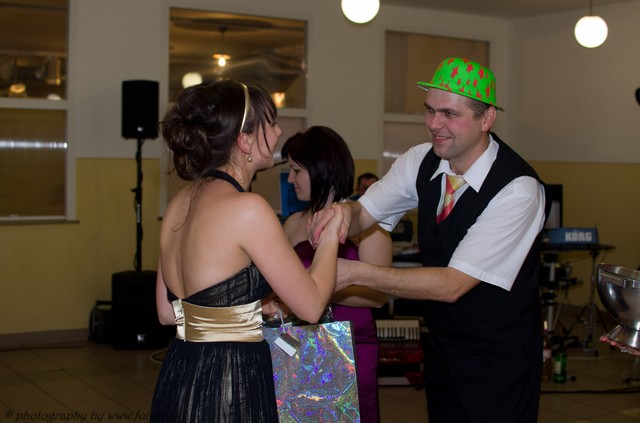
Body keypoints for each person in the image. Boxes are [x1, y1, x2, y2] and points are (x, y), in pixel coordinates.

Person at [308, 57, 552, 423]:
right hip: (442, 348)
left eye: (450, 114)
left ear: (486, 119)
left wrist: (356, 273)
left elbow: (452, 285)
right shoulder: (420, 160)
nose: (435, 124)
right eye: (430, 110)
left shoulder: (518, 189)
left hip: (499, 358)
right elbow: (364, 212)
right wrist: (345, 211)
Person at [149, 79, 344, 422]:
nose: (279, 130)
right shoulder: (248, 208)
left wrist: (244, 311)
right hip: (230, 378)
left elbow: (168, 313)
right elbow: (312, 305)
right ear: (245, 141)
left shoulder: (178, 204)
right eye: (271, 123)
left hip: (179, 372)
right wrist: (331, 233)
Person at [280, 126, 392, 423]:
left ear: (321, 168)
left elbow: (378, 296)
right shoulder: (293, 223)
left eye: (296, 170)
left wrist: (313, 290)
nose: (290, 179)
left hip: (353, 344)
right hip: (300, 341)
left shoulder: (367, 225)